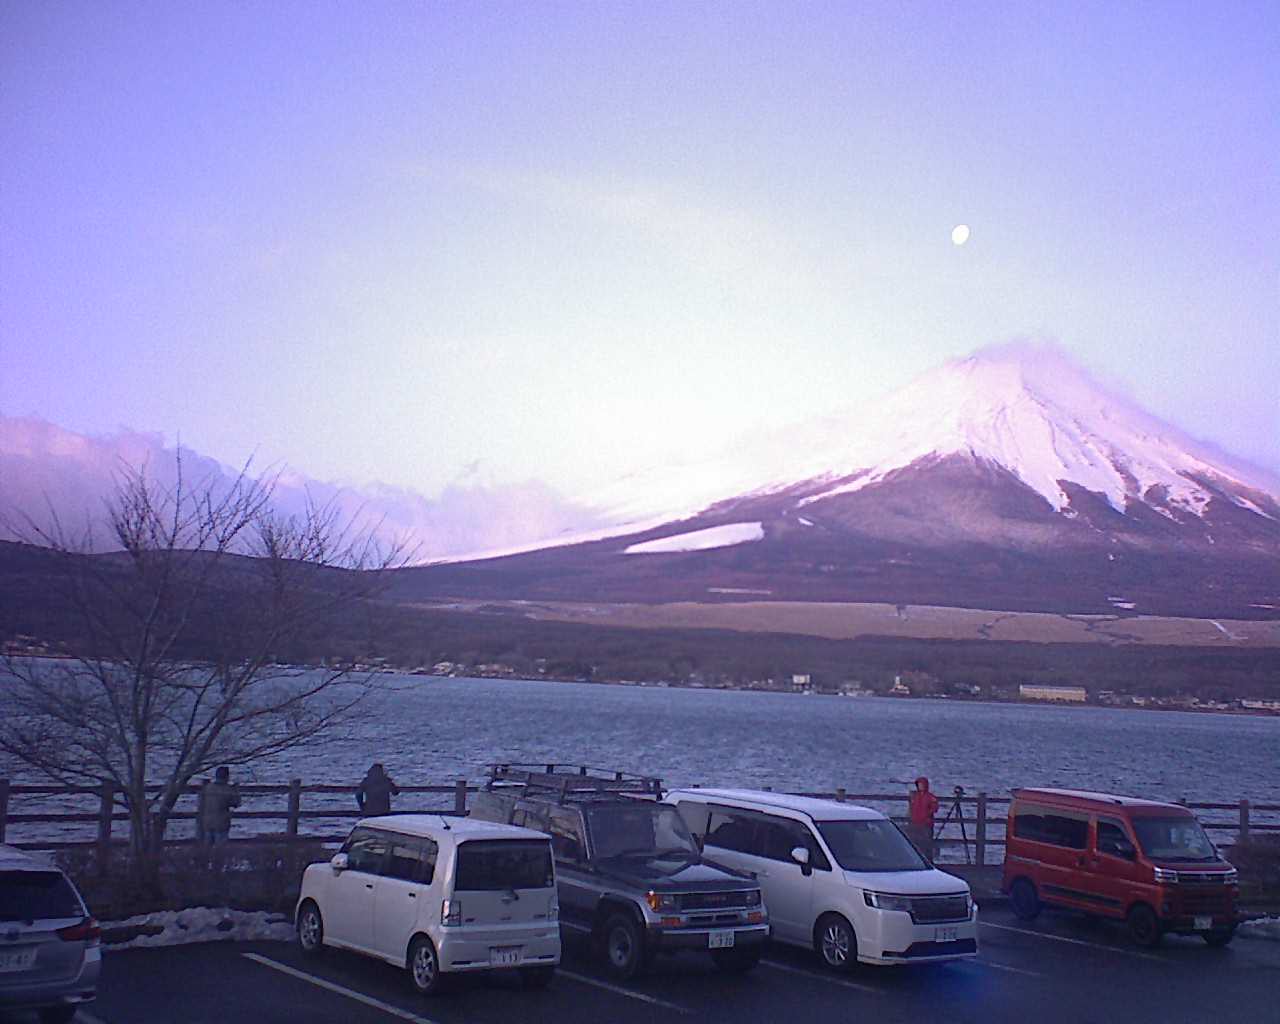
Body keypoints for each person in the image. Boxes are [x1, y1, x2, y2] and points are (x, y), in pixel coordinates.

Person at [201, 766, 241, 845]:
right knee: (220, 851)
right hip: (221, 824)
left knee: (207, 850)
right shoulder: (227, 789)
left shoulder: (208, 787)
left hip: (207, 823)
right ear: (227, 776)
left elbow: (201, 803)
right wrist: (236, 790)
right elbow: (236, 803)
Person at [907, 776, 939, 861]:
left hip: (926, 824)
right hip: (915, 824)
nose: (920, 786)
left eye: (922, 784)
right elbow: (911, 808)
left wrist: (927, 815)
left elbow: (935, 808)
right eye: (919, 784)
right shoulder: (915, 796)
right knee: (915, 843)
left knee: (927, 845)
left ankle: (928, 861)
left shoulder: (930, 797)